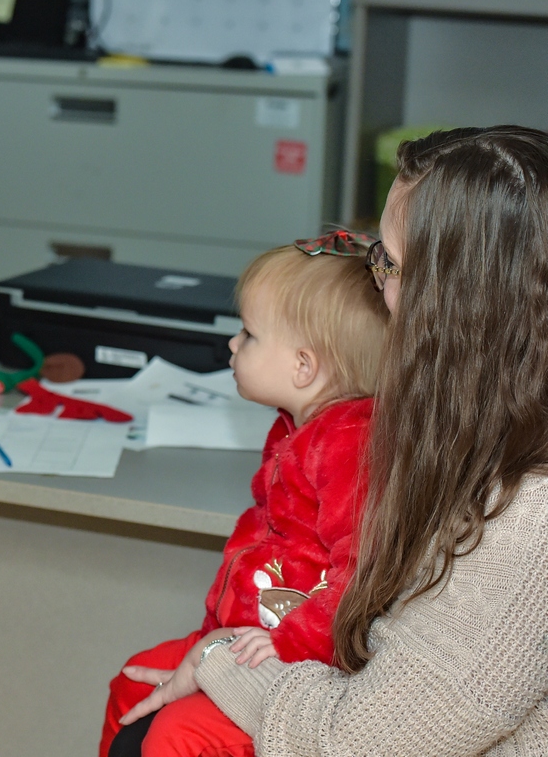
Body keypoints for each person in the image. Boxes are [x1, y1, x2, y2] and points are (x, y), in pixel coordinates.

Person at [124, 126, 548, 755]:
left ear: (462, 303)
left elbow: (355, 742)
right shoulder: (482, 436)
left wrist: (217, 657)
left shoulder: (526, 523)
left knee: (161, 731)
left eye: (392, 265)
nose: (379, 286)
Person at [101, 238, 389, 757]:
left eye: (249, 335)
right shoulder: (296, 427)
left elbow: (364, 571)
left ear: (304, 366)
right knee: (132, 682)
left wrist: (289, 642)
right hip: (243, 639)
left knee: (175, 737)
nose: (232, 346)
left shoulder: (350, 443)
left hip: (296, 658)